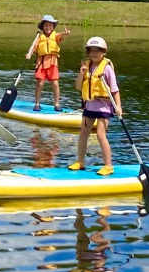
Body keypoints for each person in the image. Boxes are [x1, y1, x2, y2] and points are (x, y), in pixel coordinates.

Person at [69, 36, 122, 176]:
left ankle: (108, 165)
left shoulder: (107, 69)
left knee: (100, 135)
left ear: (103, 52)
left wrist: (118, 106)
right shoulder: (86, 67)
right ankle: (80, 162)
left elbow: (115, 90)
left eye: (97, 51)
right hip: (89, 107)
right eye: (91, 51)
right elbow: (78, 86)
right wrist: (81, 74)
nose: (94, 54)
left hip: (104, 108)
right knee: (83, 134)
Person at [25, 15, 70, 111]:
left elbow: (61, 35)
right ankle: (37, 103)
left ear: (53, 26)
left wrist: (65, 34)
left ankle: (57, 104)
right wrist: (29, 54)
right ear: (42, 27)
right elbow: (33, 47)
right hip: (41, 64)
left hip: (53, 63)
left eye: (50, 25)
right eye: (46, 25)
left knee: (55, 83)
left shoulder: (56, 35)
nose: (48, 27)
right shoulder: (39, 37)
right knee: (40, 83)